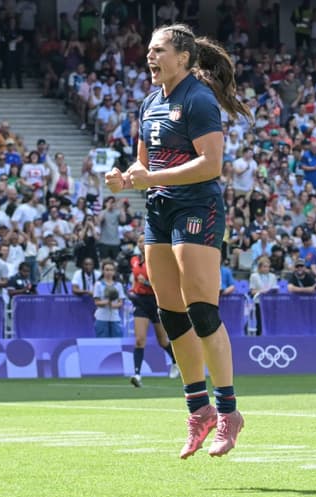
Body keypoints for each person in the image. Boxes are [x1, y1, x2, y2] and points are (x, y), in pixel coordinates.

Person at [105, 23, 252, 458]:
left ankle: (229, 412)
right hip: (158, 210)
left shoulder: (199, 99)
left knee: (203, 311)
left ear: (184, 58)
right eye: (149, 50)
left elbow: (211, 165)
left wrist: (150, 177)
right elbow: (143, 162)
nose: (150, 56)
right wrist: (126, 176)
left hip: (196, 209)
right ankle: (198, 411)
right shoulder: (150, 102)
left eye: (158, 50)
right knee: (171, 317)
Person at [128, 234, 180, 387]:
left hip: (155, 300)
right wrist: (132, 290)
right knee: (139, 340)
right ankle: (137, 375)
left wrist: (148, 283)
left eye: (144, 241)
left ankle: (176, 362)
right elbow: (134, 279)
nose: (141, 243)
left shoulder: (157, 260)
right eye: (139, 241)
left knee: (163, 341)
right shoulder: (135, 261)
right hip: (140, 302)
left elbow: (163, 282)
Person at [92, 259, 125, 338]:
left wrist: (113, 305)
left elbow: (120, 303)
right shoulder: (98, 284)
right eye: (107, 270)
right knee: (102, 344)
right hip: (101, 318)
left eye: (111, 270)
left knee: (117, 343)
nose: (109, 272)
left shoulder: (118, 285)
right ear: (103, 271)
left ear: (114, 272)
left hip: (115, 318)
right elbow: (97, 302)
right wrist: (108, 301)